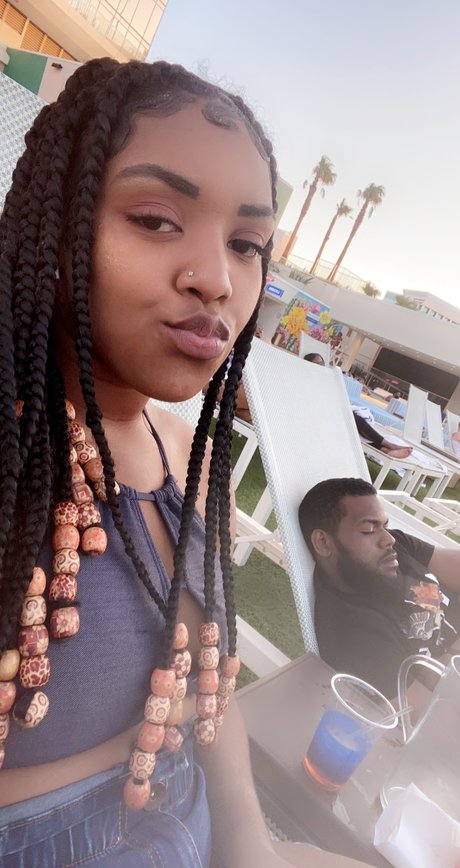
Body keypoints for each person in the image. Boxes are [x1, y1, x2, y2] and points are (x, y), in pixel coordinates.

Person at [0, 58, 370, 868]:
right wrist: (129, 759)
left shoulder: (189, 459)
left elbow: (211, 692)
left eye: (246, 244)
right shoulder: (15, 459)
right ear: (55, 230)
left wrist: (250, 845)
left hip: (194, 826)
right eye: (156, 219)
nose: (216, 280)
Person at [299, 478, 460, 699]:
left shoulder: (394, 548)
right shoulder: (354, 634)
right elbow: (432, 712)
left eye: (384, 525)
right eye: (368, 530)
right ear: (323, 543)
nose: (389, 538)